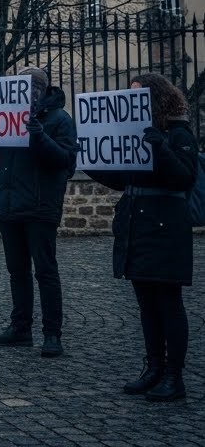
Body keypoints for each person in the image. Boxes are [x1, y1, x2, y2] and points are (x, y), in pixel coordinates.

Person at [84, 72, 195, 402]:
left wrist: (160, 146)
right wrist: (89, 158)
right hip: (137, 226)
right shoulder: (131, 133)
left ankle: (174, 376)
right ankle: (153, 368)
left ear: (156, 98)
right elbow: (123, 179)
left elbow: (183, 177)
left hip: (165, 229)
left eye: (138, 95)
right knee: (146, 304)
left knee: (168, 303)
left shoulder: (178, 132)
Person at [0, 66, 77, 358]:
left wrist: (38, 134)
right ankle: (20, 328)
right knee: (17, 271)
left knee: (45, 271)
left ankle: (52, 334)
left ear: (39, 89)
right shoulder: (11, 118)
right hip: (10, 205)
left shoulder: (59, 119)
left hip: (40, 207)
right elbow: (0, 155)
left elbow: (65, 161)